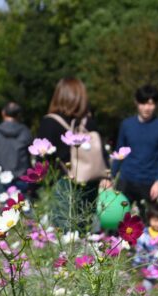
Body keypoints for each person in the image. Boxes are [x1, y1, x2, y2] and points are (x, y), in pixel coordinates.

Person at [37, 77, 108, 232]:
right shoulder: (88, 122)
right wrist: (106, 177)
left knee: (63, 234)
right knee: (84, 231)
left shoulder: (49, 122)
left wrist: (39, 184)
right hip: (89, 183)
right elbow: (101, 153)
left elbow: (41, 159)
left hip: (62, 183)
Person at [110, 85, 158, 215]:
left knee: (148, 222)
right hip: (126, 180)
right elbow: (120, 151)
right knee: (118, 218)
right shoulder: (127, 125)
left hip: (148, 182)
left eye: (151, 104)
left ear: (156, 104)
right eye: (143, 103)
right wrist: (111, 175)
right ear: (136, 103)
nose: (147, 108)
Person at [0, 101, 32, 198]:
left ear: (3, 113)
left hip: (0, 179)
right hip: (21, 179)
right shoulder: (25, 132)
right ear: (19, 115)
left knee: (1, 211)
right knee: (23, 210)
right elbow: (30, 154)